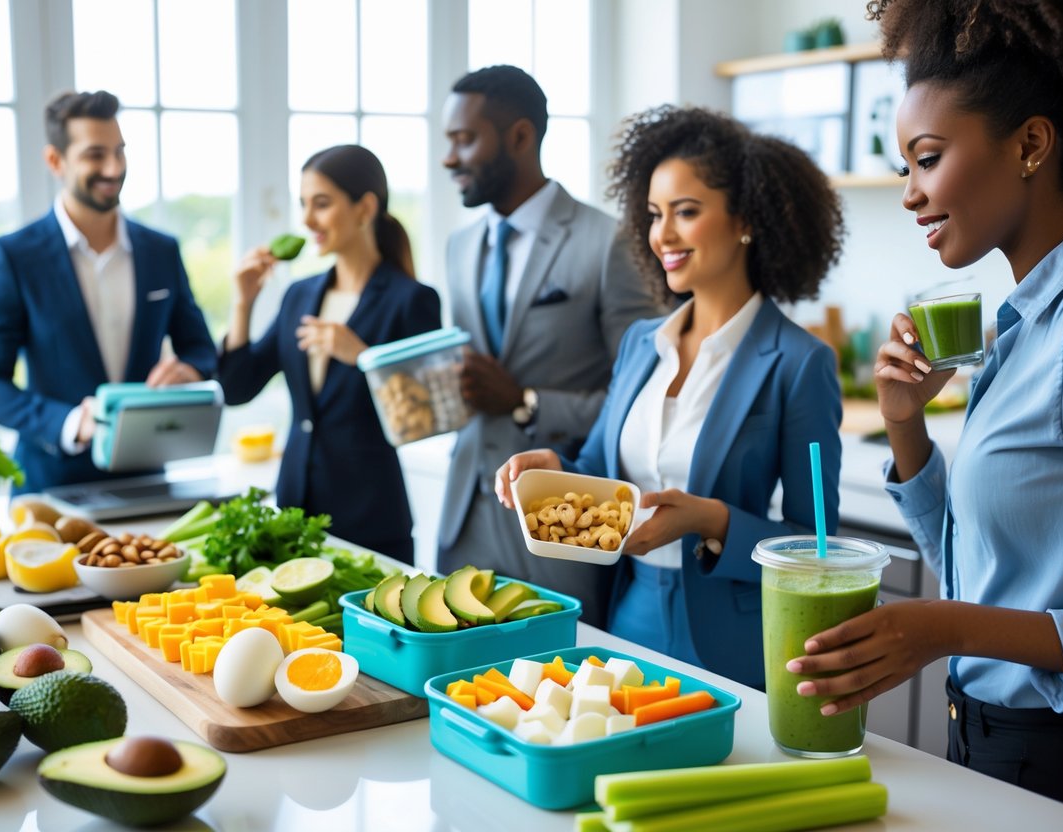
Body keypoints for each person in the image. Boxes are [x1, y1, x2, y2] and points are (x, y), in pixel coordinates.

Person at [787, 0, 1063, 811]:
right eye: (903, 169)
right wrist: (903, 422)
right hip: (983, 738)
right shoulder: (1020, 325)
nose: (911, 194)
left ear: (1030, 145)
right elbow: (980, 563)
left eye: (927, 159)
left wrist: (944, 628)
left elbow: (966, 607)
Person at [496, 105, 846, 689]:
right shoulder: (641, 343)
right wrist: (556, 470)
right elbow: (606, 476)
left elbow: (819, 551)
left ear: (745, 220)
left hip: (732, 639)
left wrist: (708, 520)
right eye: (655, 214)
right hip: (625, 621)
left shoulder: (798, 362)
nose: (663, 234)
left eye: (686, 212)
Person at [437, 65, 662, 627]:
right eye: (448, 141)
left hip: (560, 517)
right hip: (464, 512)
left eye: (465, 139)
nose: (449, 158)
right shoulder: (459, 246)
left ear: (519, 136)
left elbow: (640, 395)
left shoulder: (609, 241)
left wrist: (526, 401)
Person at [0, 90, 217, 493]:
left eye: (120, 152)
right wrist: (69, 422)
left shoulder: (161, 250)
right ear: (55, 161)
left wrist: (189, 369)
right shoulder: (14, 256)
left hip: (148, 483)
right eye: (95, 155)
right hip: (50, 489)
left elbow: (201, 349)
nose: (114, 168)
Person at [218, 145, 440, 564]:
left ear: (365, 207)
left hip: (371, 520)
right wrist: (242, 304)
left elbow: (422, 417)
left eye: (321, 204)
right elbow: (236, 388)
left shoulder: (412, 300)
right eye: (303, 204)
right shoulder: (298, 295)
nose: (306, 220)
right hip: (293, 514)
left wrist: (361, 356)